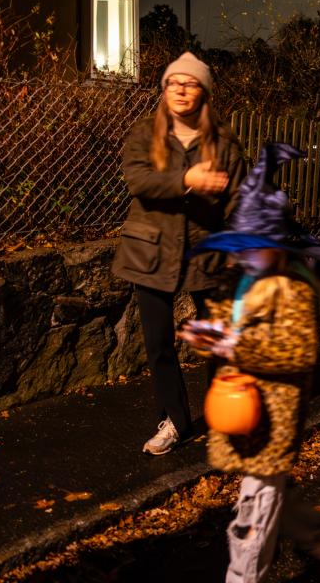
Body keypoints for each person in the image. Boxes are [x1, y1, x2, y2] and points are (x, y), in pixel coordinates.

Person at [182, 143, 320, 583]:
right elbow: (222, 331)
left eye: (257, 246)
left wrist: (235, 346)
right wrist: (205, 338)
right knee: (270, 492)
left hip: (272, 415)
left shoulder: (292, 291)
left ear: (277, 246)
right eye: (241, 246)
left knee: (251, 518)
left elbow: (298, 352)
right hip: (239, 410)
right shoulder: (234, 283)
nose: (247, 255)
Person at [112, 51, 245, 455]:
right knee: (158, 343)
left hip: (205, 253)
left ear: (203, 92)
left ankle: (223, 416)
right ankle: (174, 420)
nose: (180, 90)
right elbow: (138, 180)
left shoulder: (223, 141)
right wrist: (186, 178)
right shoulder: (143, 132)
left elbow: (239, 200)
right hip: (149, 252)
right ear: (164, 89)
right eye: (173, 83)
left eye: (189, 84)